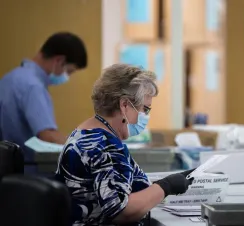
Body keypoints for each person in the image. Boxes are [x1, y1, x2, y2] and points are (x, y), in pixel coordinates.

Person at [55, 64, 193, 226]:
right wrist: (166, 186)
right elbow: (121, 211)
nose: (145, 116)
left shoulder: (84, 132)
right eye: (145, 109)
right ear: (125, 105)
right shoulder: (105, 144)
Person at [0, 32, 88, 168]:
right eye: (69, 71)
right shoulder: (33, 86)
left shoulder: (10, 78)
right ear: (59, 61)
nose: (67, 77)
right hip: (28, 174)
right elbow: (48, 135)